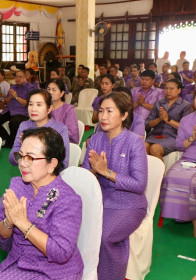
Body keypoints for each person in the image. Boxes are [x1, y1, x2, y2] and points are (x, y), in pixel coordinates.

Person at [0, 127, 84, 279]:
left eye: (30, 158)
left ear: (52, 164)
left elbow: (61, 252)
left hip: (53, 270)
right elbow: (2, 236)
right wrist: (9, 221)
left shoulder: (68, 199)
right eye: (20, 156)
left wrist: (22, 222)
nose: (22, 163)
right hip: (19, 260)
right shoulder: (17, 184)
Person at [82, 92, 148, 280]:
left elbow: (139, 184)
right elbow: (86, 175)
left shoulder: (134, 142)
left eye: (110, 111)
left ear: (124, 115)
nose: (103, 116)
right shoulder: (95, 139)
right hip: (100, 199)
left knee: (104, 237)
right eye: (101, 111)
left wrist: (106, 172)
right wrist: (93, 172)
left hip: (129, 203)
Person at [159, 96, 196, 237]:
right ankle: (181, 214)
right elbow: (180, 145)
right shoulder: (187, 120)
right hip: (189, 157)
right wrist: (192, 138)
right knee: (171, 176)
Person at [9, 89, 70, 168]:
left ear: (49, 109)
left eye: (39, 105)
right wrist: (22, 151)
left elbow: (63, 163)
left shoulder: (60, 129)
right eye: (30, 104)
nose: (33, 109)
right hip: (28, 173)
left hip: (50, 176)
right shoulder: (24, 126)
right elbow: (12, 159)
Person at [145, 78, 192, 161]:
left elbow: (186, 128)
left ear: (179, 90)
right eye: (166, 88)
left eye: (171, 89)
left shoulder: (185, 106)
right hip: (155, 135)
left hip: (173, 137)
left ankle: (161, 174)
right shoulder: (159, 103)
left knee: (155, 148)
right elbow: (147, 124)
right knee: (143, 147)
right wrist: (159, 119)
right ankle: (145, 173)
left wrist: (168, 119)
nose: (168, 91)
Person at [0, 70, 35, 148]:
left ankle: (11, 144)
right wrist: (11, 97)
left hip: (22, 112)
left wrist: (16, 97)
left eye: (20, 77)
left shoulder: (31, 88)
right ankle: (6, 138)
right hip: (9, 110)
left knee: (14, 123)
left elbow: (27, 103)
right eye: (16, 77)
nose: (17, 79)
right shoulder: (13, 87)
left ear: (25, 77)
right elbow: (5, 102)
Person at [48, 79, 79, 144]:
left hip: (63, 143)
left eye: (54, 90)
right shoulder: (45, 108)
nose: (50, 92)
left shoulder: (68, 109)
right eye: (48, 89)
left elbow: (72, 133)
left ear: (62, 93)